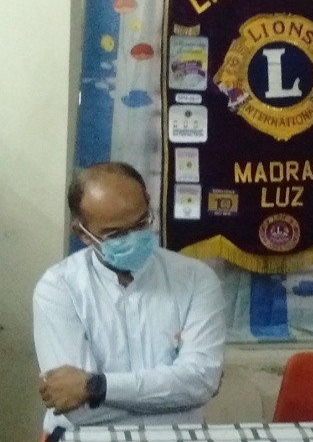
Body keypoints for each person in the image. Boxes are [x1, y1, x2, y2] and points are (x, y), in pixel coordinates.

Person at [34, 162, 226, 436]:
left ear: (148, 203)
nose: (133, 238)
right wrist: (174, 396)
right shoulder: (58, 288)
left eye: (141, 223)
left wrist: (96, 388)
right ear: (82, 233)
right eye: (115, 234)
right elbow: (76, 409)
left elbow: (201, 383)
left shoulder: (196, 279)